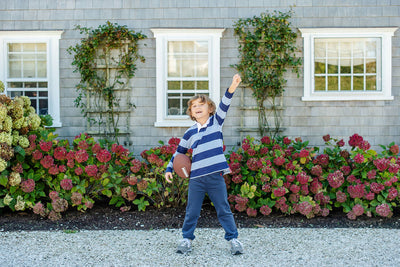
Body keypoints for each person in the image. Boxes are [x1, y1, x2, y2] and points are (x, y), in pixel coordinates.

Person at [165, 74, 244, 255]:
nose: (198, 107)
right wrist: (169, 168)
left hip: (215, 176)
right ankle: (186, 239)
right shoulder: (190, 133)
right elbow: (179, 153)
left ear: (210, 109)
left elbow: (226, 102)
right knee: (192, 211)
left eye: (202, 104)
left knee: (223, 209)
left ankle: (233, 239)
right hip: (197, 179)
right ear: (191, 112)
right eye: (194, 106)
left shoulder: (216, 123)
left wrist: (233, 85)